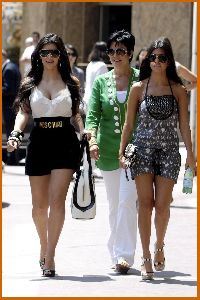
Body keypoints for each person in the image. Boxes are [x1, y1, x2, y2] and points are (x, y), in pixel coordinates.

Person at [119, 37, 196, 280]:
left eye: (162, 57)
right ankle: (145, 256)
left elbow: (185, 126)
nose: (156, 61)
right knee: (145, 204)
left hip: (169, 152)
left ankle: (159, 244)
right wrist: (122, 152)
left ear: (170, 60)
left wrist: (191, 157)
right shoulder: (138, 88)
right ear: (147, 60)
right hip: (142, 151)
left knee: (162, 206)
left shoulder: (178, 90)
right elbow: (129, 124)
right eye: (153, 57)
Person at [7, 33, 84, 277]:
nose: (49, 57)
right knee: (39, 207)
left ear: (60, 55)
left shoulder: (71, 82)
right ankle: (43, 244)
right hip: (39, 142)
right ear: (38, 56)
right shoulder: (30, 83)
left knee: (56, 201)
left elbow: (75, 114)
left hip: (65, 142)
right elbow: (23, 113)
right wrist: (16, 133)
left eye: (54, 52)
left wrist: (85, 132)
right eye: (44, 52)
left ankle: (50, 255)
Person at [85, 30, 139, 274]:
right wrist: (92, 139)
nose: (115, 56)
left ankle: (124, 256)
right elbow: (93, 114)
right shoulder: (100, 81)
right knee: (115, 204)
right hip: (106, 151)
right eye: (112, 51)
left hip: (134, 152)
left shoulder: (141, 79)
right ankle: (115, 249)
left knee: (128, 202)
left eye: (121, 51)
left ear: (130, 53)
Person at [2, 49, 21, 165]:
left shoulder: (8, 69)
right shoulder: (12, 66)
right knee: (12, 132)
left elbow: (9, 89)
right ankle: (14, 158)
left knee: (11, 132)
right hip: (12, 106)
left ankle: (13, 158)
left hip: (9, 106)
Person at [83, 41, 109, 111]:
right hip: (96, 102)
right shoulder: (102, 65)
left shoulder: (90, 64)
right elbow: (102, 86)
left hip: (86, 99)